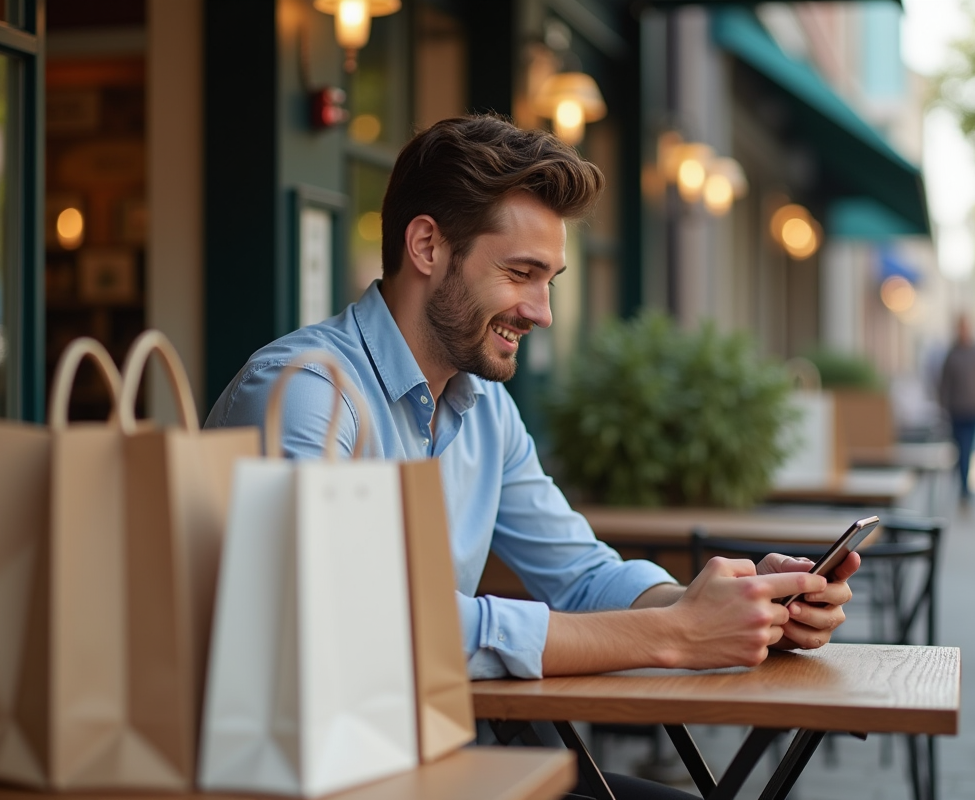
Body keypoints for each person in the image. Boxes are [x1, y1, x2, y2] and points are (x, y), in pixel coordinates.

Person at [206, 116, 858, 798]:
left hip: (427, 760)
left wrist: (730, 605)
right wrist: (672, 636)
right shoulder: (303, 395)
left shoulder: (483, 407)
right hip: (301, 775)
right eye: (521, 274)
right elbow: (365, 628)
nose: (542, 312)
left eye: (550, 280)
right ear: (427, 245)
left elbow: (578, 573)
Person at [938, 315, 975, 505]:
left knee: (968, 448)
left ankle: (964, 487)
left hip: (974, 409)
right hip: (955, 410)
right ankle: (963, 486)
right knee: (960, 449)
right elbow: (944, 383)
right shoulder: (952, 353)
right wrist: (943, 405)